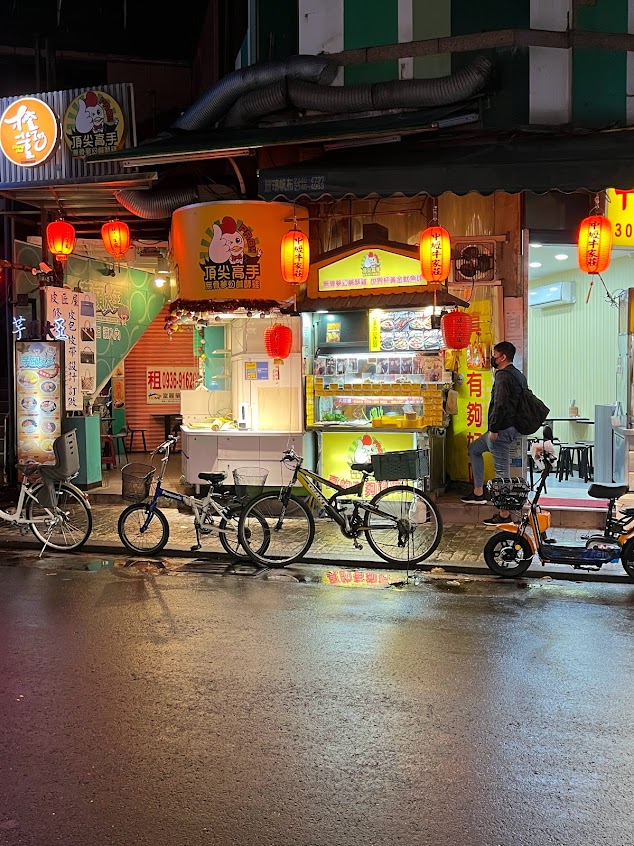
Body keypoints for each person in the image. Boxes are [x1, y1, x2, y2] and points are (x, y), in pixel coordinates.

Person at [461, 341, 527, 525]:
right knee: (475, 448)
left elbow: (500, 404)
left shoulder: (503, 376)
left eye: (495, 355)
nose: (492, 358)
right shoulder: (518, 375)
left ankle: (505, 515)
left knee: (501, 473)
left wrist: (495, 429)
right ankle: (478, 492)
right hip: (511, 428)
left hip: (501, 431)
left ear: (503, 357)